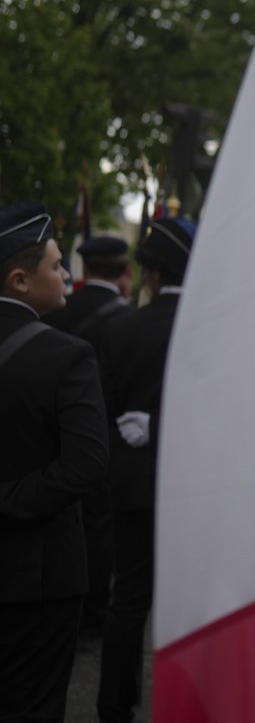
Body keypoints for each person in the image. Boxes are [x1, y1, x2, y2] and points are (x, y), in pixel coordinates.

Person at [0, 201, 109, 723]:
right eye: (57, 265)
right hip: (38, 580)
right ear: (20, 280)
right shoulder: (68, 355)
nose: (68, 275)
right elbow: (87, 465)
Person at [96, 216, 196, 723]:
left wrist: (151, 430)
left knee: (128, 601)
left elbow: (106, 418)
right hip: (197, 487)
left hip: (134, 482)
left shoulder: (119, 328)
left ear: (152, 274)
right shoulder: (213, 327)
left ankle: (115, 708)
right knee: (199, 601)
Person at [44, 235, 134, 644]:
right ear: (124, 270)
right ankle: (94, 616)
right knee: (99, 530)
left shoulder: (55, 309)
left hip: (54, 435)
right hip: (112, 439)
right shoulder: (128, 317)